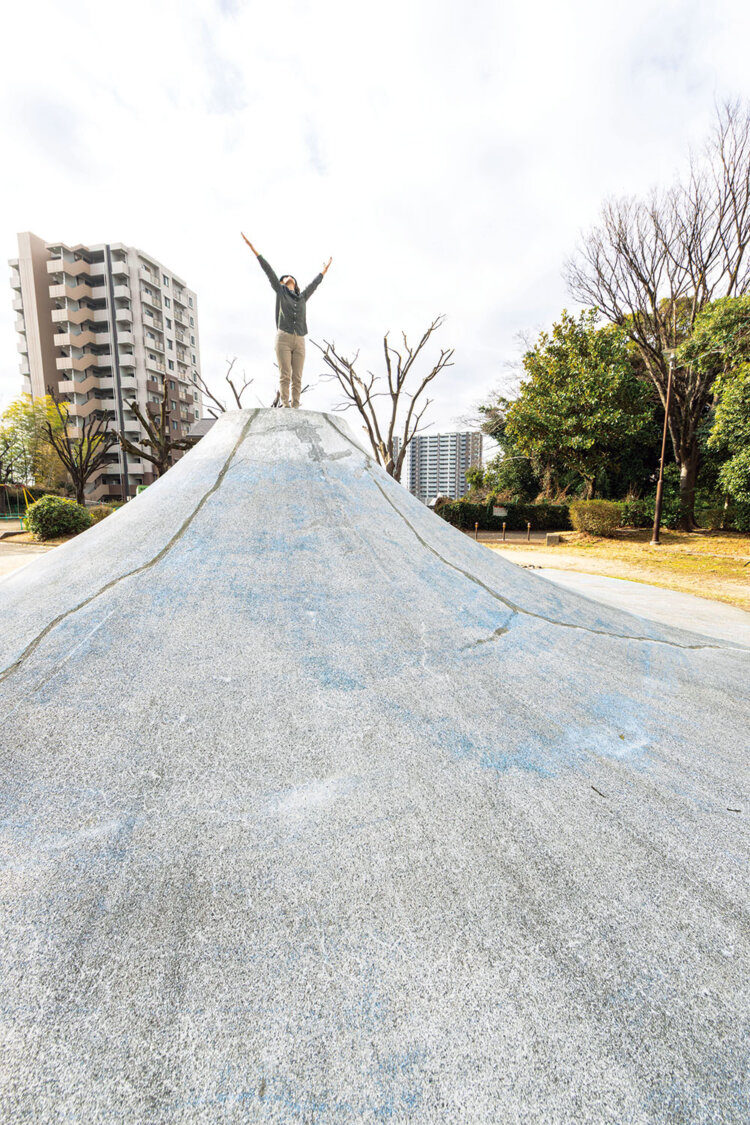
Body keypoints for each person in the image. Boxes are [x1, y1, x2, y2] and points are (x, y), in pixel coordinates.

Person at [241, 233, 332, 408]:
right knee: (285, 374)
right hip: (283, 337)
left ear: (295, 283)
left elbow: (314, 284)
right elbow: (268, 270)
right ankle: (285, 405)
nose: (287, 277)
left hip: (300, 339)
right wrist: (253, 249)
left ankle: (296, 406)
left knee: (297, 376)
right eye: (284, 277)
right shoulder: (281, 292)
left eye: (290, 276)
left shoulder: (303, 297)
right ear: (281, 283)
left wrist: (324, 271)